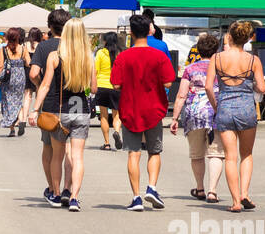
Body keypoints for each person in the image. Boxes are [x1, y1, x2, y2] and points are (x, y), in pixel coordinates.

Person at [33, 17, 97, 211]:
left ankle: (56, 193)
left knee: (57, 156)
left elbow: (44, 85)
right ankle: (75, 198)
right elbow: (93, 88)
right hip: (81, 109)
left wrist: (35, 109)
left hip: (59, 109)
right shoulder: (88, 56)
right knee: (77, 157)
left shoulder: (55, 55)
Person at [113, 14, 175, 211]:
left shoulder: (123, 56)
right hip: (154, 108)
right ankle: (152, 187)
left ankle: (136, 197)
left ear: (130, 32)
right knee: (154, 151)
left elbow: (115, 84)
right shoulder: (159, 56)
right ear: (150, 31)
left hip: (130, 109)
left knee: (134, 153)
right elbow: (167, 82)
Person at [205, 21, 265, 213]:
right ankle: (245, 193)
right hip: (246, 109)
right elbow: (262, 88)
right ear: (248, 38)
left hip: (225, 108)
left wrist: (216, 106)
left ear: (229, 36)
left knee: (230, 157)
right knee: (246, 154)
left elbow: (208, 87)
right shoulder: (253, 60)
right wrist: (251, 86)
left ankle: (235, 201)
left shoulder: (217, 58)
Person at [170, 31, 224, 203]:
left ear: (198, 50)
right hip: (216, 114)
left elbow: (181, 95)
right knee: (216, 154)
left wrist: (174, 118)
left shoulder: (190, 69)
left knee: (197, 154)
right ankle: (212, 191)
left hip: (194, 115)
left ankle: (200, 188)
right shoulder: (221, 69)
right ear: (216, 50)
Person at [30, 10, 73, 204]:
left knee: (49, 148)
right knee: (70, 150)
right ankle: (68, 190)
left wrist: (40, 87)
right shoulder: (73, 47)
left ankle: (52, 188)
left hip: (50, 105)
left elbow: (33, 74)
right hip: (73, 104)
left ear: (50, 26)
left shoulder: (44, 47)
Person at [0, 27, 30, 136]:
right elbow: (28, 63)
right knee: (18, 100)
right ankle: (20, 120)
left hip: (8, 77)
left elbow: (0, 65)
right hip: (20, 77)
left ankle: (11, 129)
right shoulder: (23, 49)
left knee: (8, 101)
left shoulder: (4, 49)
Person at [94, 32, 124, 151]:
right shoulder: (120, 53)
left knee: (104, 116)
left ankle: (106, 143)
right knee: (117, 115)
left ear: (106, 41)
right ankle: (116, 131)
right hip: (116, 87)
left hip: (102, 86)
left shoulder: (100, 53)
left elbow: (95, 71)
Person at [22, 27, 42, 125]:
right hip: (37, 71)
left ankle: (24, 119)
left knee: (27, 95)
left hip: (26, 71)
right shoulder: (40, 45)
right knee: (39, 94)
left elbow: (23, 59)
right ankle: (37, 117)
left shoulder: (24, 45)